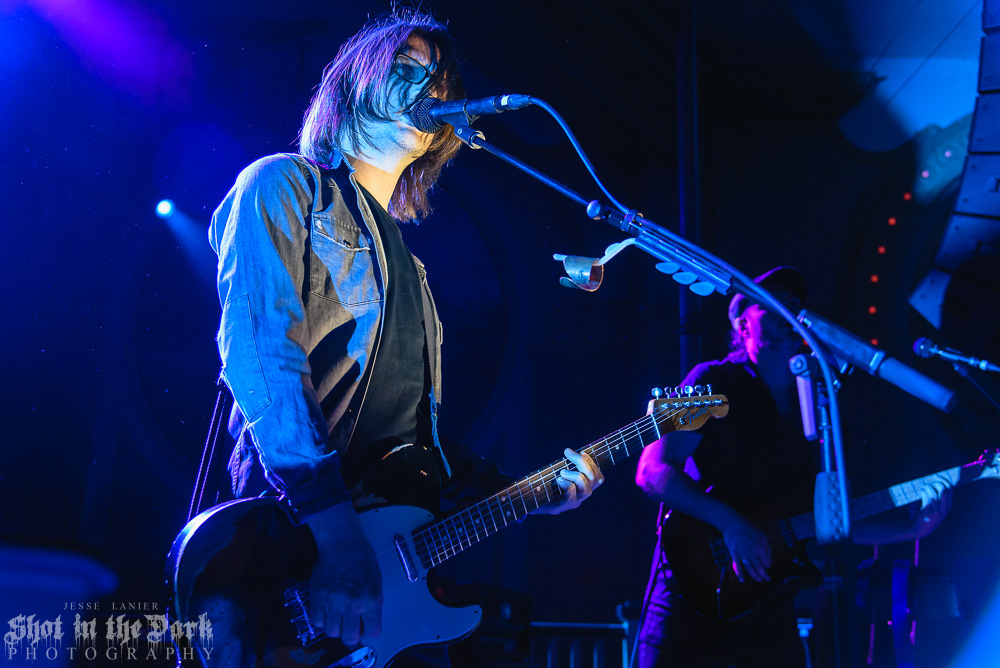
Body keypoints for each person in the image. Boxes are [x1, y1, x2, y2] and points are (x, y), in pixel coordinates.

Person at [208, 9, 602, 664]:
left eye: (440, 81)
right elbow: (261, 358)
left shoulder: (412, 272)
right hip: (295, 558)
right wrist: (335, 534)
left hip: (396, 596)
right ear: (354, 83)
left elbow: (422, 449)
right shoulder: (282, 185)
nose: (430, 91)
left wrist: (533, 495)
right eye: (407, 69)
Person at [633, 267, 949, 667]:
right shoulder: (710, 381)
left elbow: (827, 523)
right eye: (774, 307)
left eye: (796, 308)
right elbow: (653, 470)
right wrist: (732, 524)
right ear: (742, 322)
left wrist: (911, 528)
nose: (789, 316)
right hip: (693, 586)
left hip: (769, 601)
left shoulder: (822, 408)